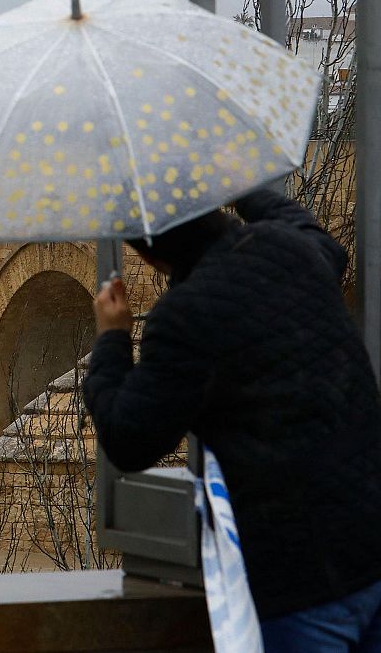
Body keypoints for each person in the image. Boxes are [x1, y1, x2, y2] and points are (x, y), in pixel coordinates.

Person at [84, 188, 381, 651]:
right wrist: (237, 181)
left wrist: (112, 340)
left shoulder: (185, 318)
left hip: (301, 580)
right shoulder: (294, 250)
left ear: (147, 253)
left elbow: (128, 437)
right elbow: (312, 230)